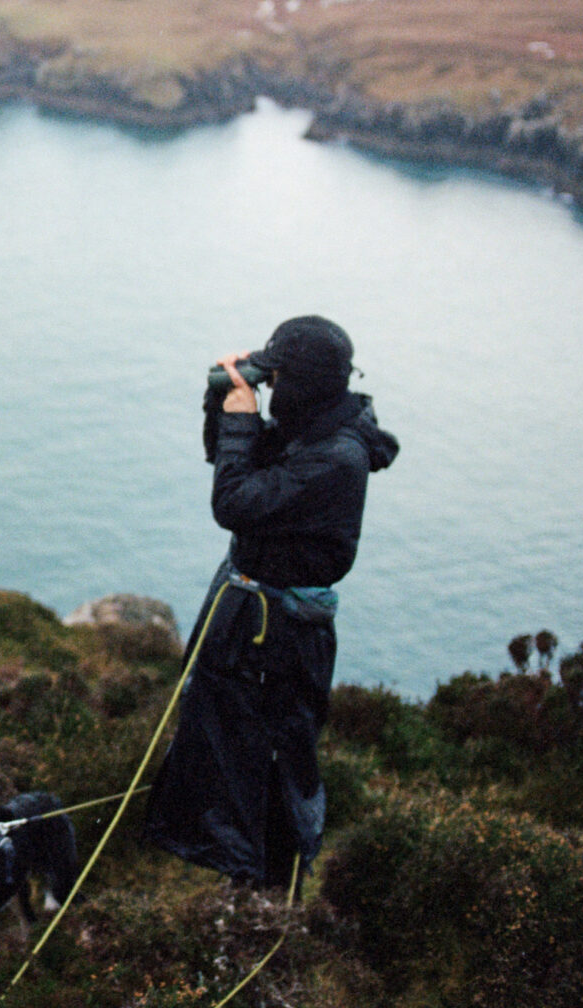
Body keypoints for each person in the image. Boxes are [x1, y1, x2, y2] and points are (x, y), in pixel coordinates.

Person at [142, 314, 399, 892]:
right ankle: (241, 879)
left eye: (278, 377)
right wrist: (228, 408)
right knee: (226, 750)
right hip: (254, 621)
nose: (273, 389)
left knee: (270, 760)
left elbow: (234, 500)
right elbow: (228, 458)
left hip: (278, 636)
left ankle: (266, 897)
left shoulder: (335, 457)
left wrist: (242, 423)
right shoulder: (315, 429)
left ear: (301, 384)